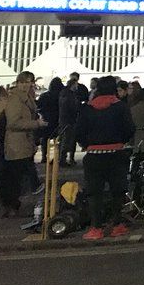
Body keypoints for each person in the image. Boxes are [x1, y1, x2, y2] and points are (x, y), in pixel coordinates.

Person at [76, 75, 135, 240]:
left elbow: (79, 131)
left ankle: (96, 227)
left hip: (94, 155)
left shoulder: (87, 108)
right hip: (116, 153)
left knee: (95, 193)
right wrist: (120, 141)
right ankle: (117, 224)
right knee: (117, 191)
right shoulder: (120, 107)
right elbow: (129, 129)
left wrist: (88, 144)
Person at [0, 72, 42, 217]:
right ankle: (11, 205)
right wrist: (36, 124)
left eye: (28, 82)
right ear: (17, 83)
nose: (25, 85)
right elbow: (13, 122)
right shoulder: (16, 100)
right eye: (22, 82)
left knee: (15, 175)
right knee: (13, 176)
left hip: (22, 143)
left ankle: (12, 204)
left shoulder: (25, 98)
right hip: (15, 144)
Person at [58, 74, 86, 166]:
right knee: (67, 140)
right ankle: (63, 159)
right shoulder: (70, 95)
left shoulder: (64, 93)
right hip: (69, 120)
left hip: (64, 120)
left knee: (65, 140)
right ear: (73, 85)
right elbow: (73, 107)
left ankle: (62, 158)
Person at [35, 77, 62, 163]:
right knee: (57, 140)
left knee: (45, 138)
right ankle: (57, 157)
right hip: (58, 119)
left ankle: (44, 157)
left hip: (46, 119)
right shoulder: (61, 95)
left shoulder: (44, 95)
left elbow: (39, 106)